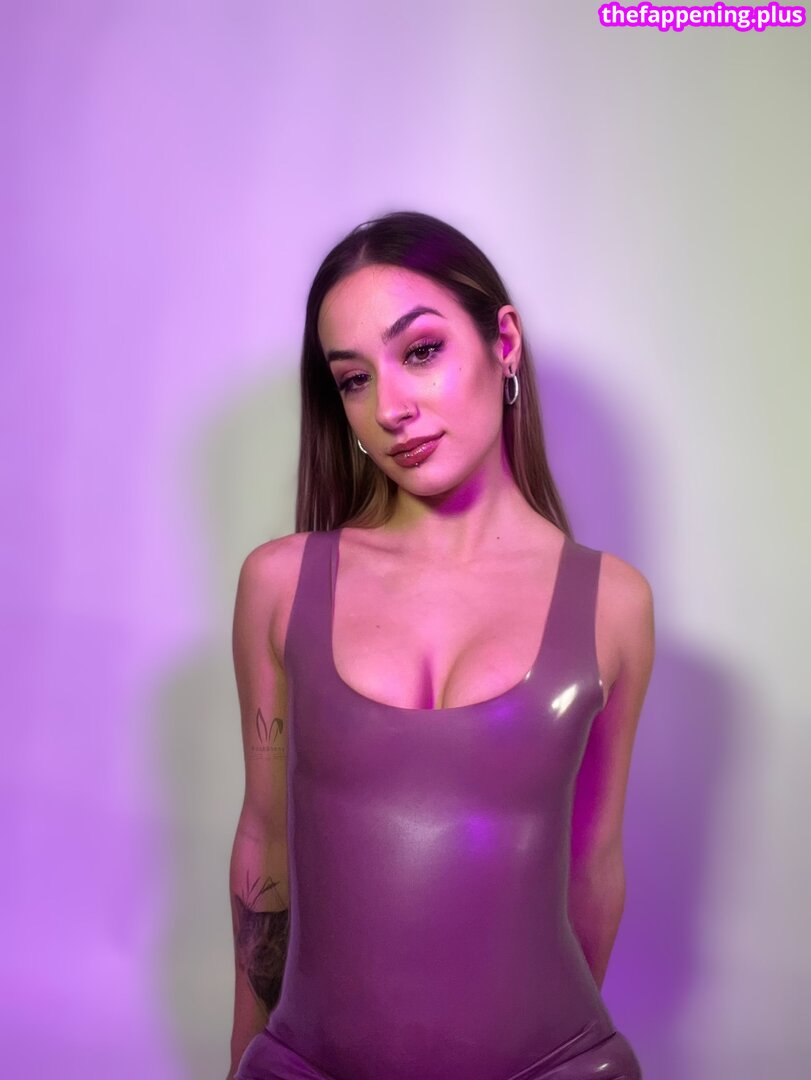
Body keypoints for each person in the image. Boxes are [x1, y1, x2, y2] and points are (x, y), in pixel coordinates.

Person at [226, 210, 655, 1080]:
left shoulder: (611, 604)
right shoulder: (281, 584)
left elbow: (594, 865)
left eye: (420, 351)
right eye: (354, 379)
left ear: (504, 342)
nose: (390, 408)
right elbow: (265, 842)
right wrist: (243, 1055)